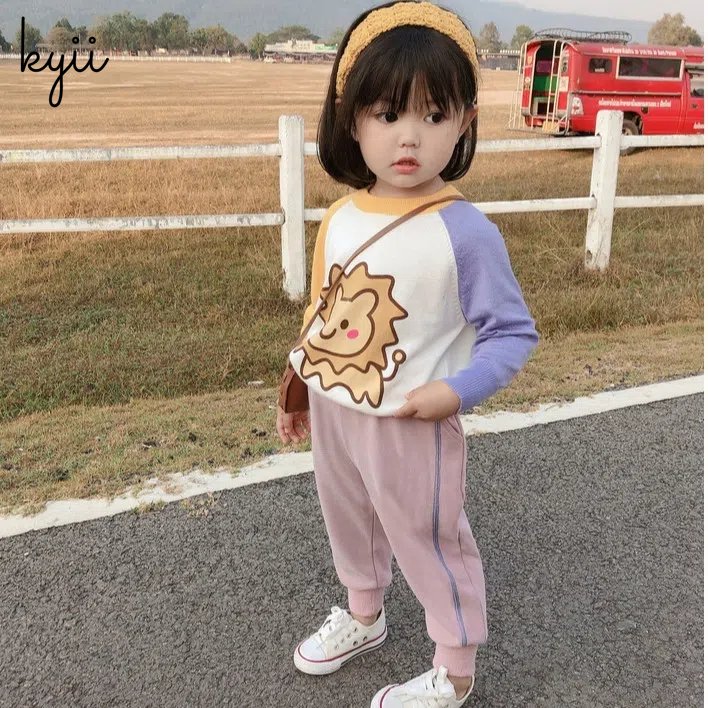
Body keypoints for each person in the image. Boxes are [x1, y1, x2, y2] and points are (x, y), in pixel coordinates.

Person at [275, 2, 539, 705]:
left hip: (412, 422)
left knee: (429, 537)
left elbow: (513, 332)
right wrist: (297, 387)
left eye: (434, 114)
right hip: (336, 412)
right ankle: (365, 615)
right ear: (351, 119)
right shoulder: (341, 216)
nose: (410, 137)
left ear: (466, 121)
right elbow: (324, 313)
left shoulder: (466, 232)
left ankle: (455, 666)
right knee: (348, 519)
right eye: (388, 114)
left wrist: (456, 391)